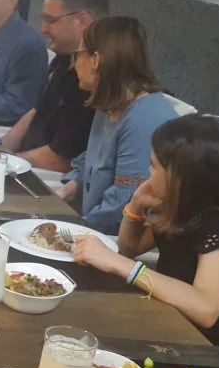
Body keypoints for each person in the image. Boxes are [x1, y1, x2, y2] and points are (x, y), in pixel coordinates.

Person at [74, 115, 219, 356]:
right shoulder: (183, 209)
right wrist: (135, 205)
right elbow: (129, 248)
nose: (148, 172)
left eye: (154, 166)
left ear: (182, 177)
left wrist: (121, 264)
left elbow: (206, 308)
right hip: (179, 329)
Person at [57, 16, 178, 234]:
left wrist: (76, 227)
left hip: (119, 238)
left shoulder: (144, 121)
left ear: (95, 60)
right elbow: (92, 159)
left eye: (78, 55)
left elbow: (125, 202)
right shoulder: (109, 102)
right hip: (93, 226)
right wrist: (68, 189)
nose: (74, 64)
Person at [1, 0, 110, 172]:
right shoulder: (63, 59)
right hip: (21, 165)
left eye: (51, 21)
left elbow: (61, 160)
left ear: (82, 22)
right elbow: (36, 111)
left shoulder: (92, 80)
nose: (42, 29)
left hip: (47, 179)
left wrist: (1, 163)